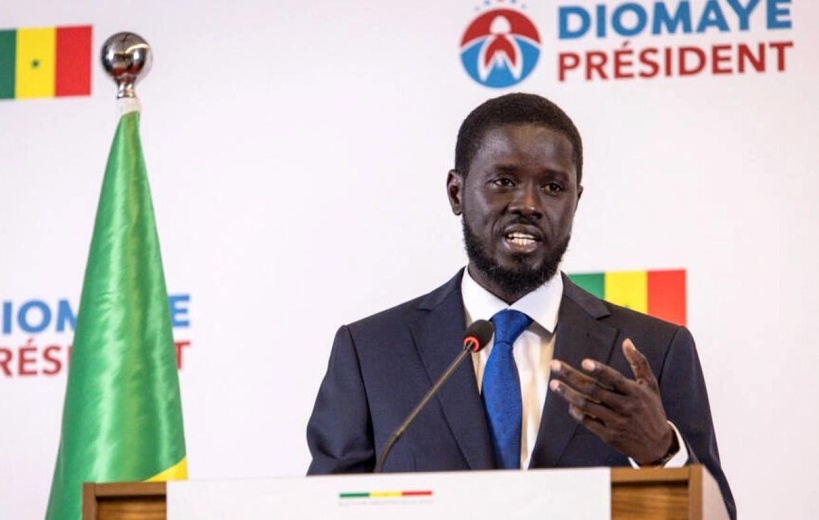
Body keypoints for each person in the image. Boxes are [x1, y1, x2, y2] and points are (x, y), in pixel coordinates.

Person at [306, 93, 736, 519]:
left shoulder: (656, 350)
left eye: (552, 187)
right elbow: (323, 511)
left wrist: (661, 453)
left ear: (575, 202)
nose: (528, 205)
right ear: (456, 192)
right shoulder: (372, 352)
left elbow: (720, 515)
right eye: (504, 181)